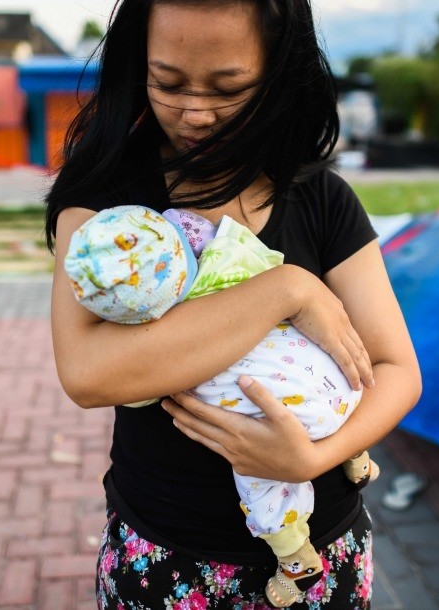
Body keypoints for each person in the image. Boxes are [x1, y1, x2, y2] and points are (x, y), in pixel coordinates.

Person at [45, 0, 421, 607]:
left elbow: (396, 371)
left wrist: (306, 460)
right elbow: (88, 373)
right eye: (168, 83)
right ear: (138, 69)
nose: (194, 113)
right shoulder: (106, 201)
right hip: (164, 558)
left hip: (324, 553)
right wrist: (286, 289)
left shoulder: (321, 200)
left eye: (226, 88)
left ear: (280, 74)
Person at [64, 204, 379, 603]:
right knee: (320, 371)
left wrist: (307, 462)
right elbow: (85, 381)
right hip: (341, 392)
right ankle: (357, 456)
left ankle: (295, 557)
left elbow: (126, 387)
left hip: (292, 434)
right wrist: (288, 289)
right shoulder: (224, 254)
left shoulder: (166, 336)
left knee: (256, 465)